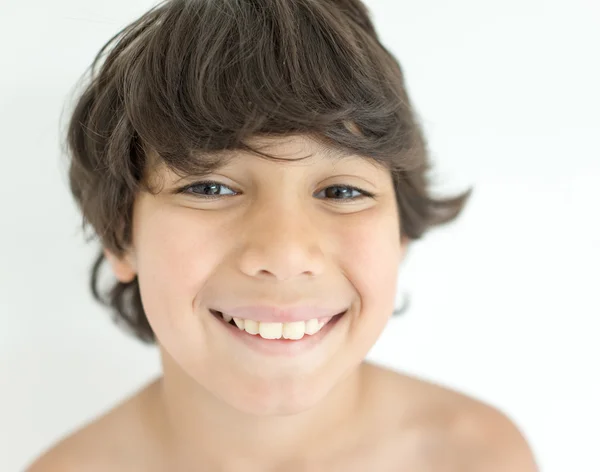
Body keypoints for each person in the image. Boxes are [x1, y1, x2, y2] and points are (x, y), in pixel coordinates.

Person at [26, 0, 538, 470]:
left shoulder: (480, 456)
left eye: (341, 192)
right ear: (120, 236)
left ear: (400, 235)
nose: (285, 254)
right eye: (209, 187)